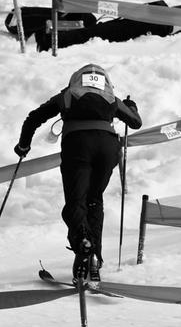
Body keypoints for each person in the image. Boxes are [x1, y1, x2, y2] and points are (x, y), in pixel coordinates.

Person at [14, 64, 141, 285]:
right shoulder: (111, 97)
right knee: (94, 200)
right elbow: (136, 122)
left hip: (78, 146)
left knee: (76, 201)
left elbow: (33, 118)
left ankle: (83, 242)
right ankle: (95, 259)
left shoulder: (67, 95)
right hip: (107, 147)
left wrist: (23, 146)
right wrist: (131, 106)